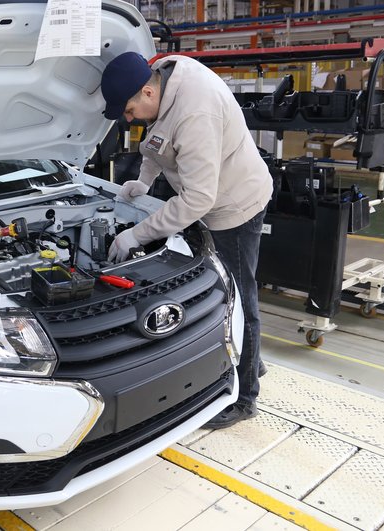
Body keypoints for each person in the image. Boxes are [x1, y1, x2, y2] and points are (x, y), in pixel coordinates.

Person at [101, 52, 272, 429]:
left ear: (146, 91)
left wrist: (137, 233)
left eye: (129, 110)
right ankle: (249, 357)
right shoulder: (166, 76)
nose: (129, 120)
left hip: (236, 205)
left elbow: (198, 199)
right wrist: (144, 181)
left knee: (241, 297)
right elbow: (159, 139)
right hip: (213, 195)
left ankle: (246, 395)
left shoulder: (196, 112)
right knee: (228, 289)